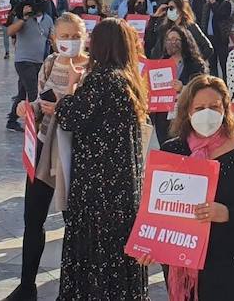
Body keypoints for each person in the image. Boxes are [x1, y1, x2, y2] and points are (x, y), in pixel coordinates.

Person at [143, 75, 234, 300]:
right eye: (200, 107)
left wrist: (227, 213)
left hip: (230, 266)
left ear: (226, 109)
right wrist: (149, 244)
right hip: (182, 265)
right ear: (188, 112)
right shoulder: (171, 152)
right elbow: (155, 209)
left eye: (214, 107)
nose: (207, 113)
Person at [54, 18, 148, 299]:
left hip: (97, 186)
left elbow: (70, 117)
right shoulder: (128, 79)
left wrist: (71, 87)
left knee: (95, 253)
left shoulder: (100, 80)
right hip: (122, 185)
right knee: (119, 254)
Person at [6, 13, 89, 301]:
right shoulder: (50, 63)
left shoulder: (93, 69)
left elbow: (90, 114)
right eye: (63, 36)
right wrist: (27, 108)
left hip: (74, 152)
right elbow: (40, 100)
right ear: (53, 38)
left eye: (74, 36)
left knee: (74, 222)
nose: (69, 41)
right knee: (33, 218)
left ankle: (74, 287)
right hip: (44, 145)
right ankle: (26, 285)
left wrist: (67, 107)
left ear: (84, 36)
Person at [6, 0, 54, 132]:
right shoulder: (22, 18)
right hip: (23, 61)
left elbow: (51, 38)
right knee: (34, 92)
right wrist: (24, 18)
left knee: (22, 92)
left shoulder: (48, 20)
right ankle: (36, 124)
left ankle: (12, 120)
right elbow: (10, 31)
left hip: (40, 61)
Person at [147, 0, 214, 67]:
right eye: (168, 9)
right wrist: (155, 17)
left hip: (183, 69)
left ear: (181, 9)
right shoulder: (164, 27)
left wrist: (195, 62)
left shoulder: (190, 26)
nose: (169, 11)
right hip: (164, 67)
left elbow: (208, 48)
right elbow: (150, 40)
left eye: (171, 8)